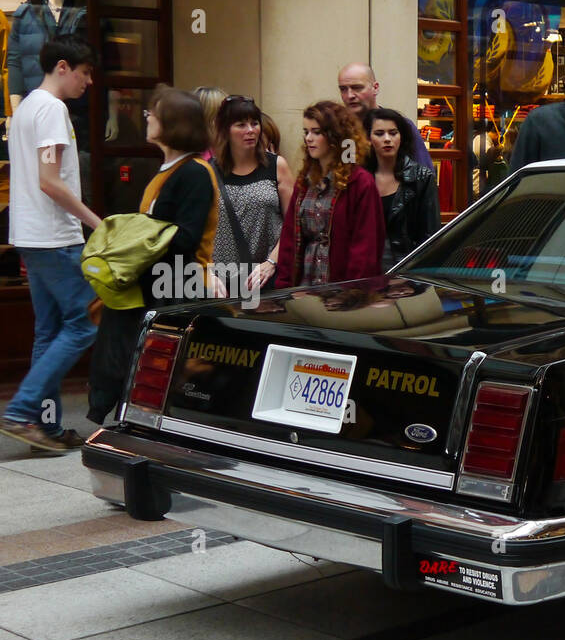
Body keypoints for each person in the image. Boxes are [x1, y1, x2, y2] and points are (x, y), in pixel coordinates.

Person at [88, 86, 220, 422]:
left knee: (158, 377)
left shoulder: (194, 172)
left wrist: (134, 240)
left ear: (173, 123)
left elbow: (186, 238)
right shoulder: (167, 170)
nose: (147, 117)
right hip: (153, 286)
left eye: (154, 113)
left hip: (173, 289)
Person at [0, 37, 101, 452]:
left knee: (49, 331)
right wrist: (97, 222)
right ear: (63, 67)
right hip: (53, 236)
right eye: (85, 72)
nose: (89, 81)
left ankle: (46, 428)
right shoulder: (54, 109)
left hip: (29, 234)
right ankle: (22, 410)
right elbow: (49, 181)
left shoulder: (25, 108)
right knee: (85, 322)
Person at [271, 100, 384, 293]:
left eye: (316, 132)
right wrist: (284, 288)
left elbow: (365, 248)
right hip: (304, 288)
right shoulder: (304, 182)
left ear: (335, 136)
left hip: (342, 290)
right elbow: (290, 238)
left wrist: (351, 294)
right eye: (306, 132)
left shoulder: (359, 183)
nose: (309, 138)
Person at [209, 94, 293, 298]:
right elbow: (196, 229)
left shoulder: (276, 166)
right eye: (240, 125)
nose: (250, 130)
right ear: (225, 130)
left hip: (265, 277)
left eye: (254, 123)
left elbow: (293, 224)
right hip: (221, 282)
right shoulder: (208, 171)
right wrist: (207, 271)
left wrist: (272, 262)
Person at [363, 106, 440, 272]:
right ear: (368, 138)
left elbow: (430, 235)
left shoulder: (421, 177)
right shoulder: (360, 179)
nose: (387, 139)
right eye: (379, 133)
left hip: (407, 270)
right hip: (367, 272)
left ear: (401, 136)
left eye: (393, 133)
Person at [337, 62, 434, 169]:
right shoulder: (338, 129)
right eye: (343, 89)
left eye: (357, 88)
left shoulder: (401, 126)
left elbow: (424, 175)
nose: (350, 95)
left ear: (375, 88)